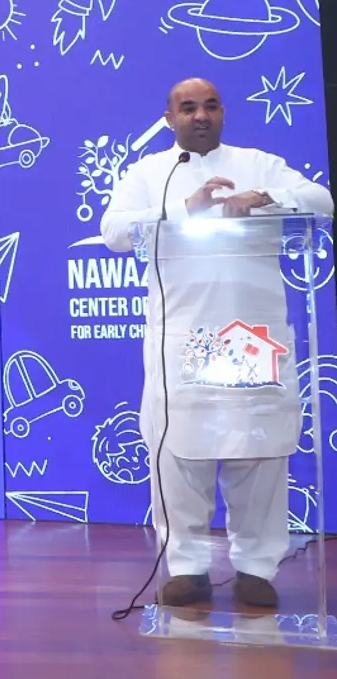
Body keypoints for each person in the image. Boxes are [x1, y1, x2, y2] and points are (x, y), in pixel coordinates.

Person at [101, 78, 332, 609]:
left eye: (209, 106)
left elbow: (322, 201)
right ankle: (187, 566)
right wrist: (186, 207)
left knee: (258, 450)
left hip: (251, 335)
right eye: (188, 108)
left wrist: (265, 197)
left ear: (223, 112)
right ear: (169, 119)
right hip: (185, 336)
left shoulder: (258, 164)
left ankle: (256, 568)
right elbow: (113, 231)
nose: (200, 115)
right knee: (181, 453)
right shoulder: (150, 174)